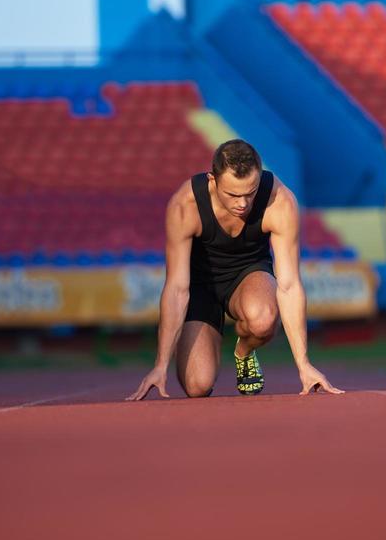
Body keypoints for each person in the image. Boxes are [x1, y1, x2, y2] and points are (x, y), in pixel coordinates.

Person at [126, 139, 344, 401]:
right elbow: (176, 288)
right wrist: (160, 365)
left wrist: (304, 364)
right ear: (212, 180)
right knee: (197, 386)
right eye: (233, 195)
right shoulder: (185, 206)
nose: (243, 203)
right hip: (200, 287)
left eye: (250, 193)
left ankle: (244, 351)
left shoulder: (280, 201)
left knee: (263, 319)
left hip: (248, 276)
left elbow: (289, 285)